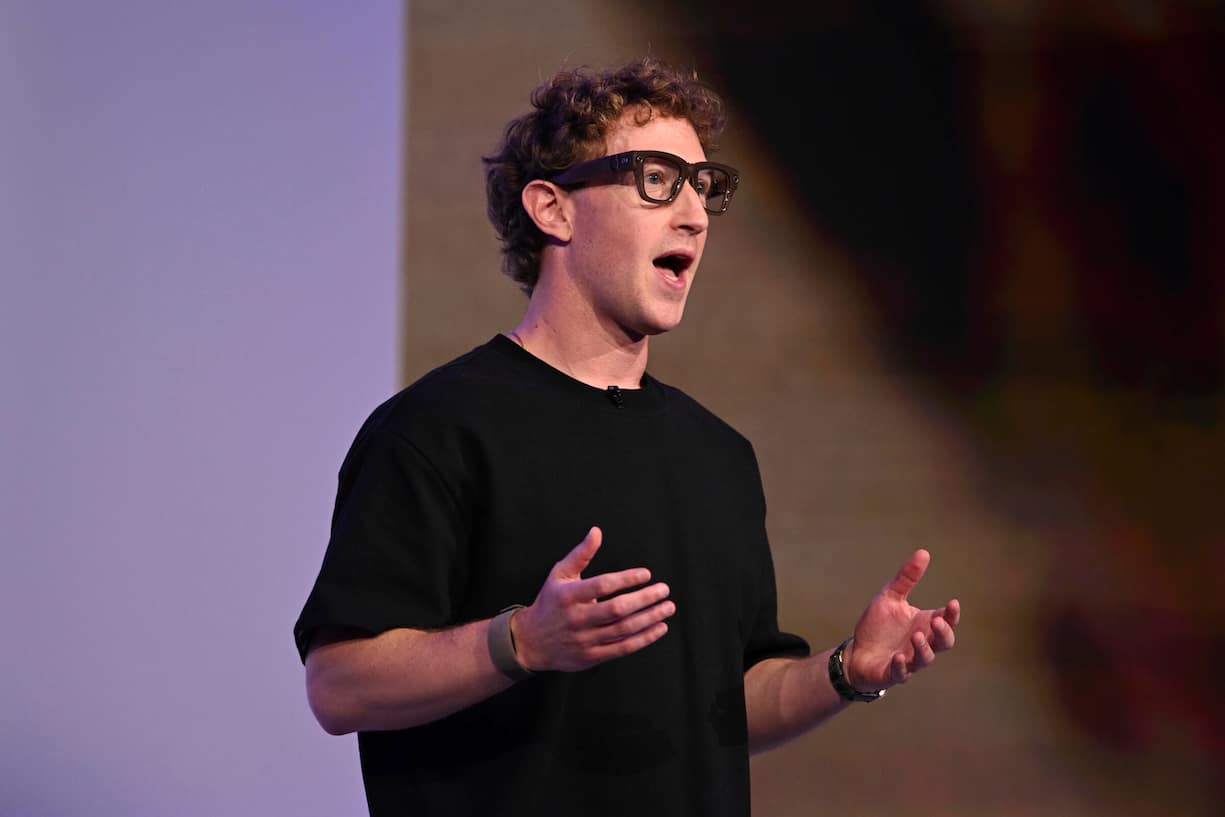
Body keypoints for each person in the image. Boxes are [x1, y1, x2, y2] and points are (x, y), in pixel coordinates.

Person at [293, 56, 960, 817]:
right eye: (656, 181)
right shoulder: (437, 430)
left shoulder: (717, 457)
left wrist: (847, 670)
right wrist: (523, 642)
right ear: (553, 209)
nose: (694, 215)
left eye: (703, 187)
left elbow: (729, 702)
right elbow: (338, 685)